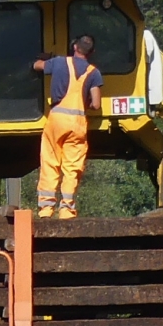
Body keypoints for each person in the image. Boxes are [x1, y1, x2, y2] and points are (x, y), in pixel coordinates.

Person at [32, 35, 102, 219]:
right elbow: (96, 104)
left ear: (74, 47)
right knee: (72, 167)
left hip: (57, 119)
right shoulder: (94, 73)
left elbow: (37, 66)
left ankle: (46, 209)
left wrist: (44, 58)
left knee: (50, 161)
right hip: (78, 123)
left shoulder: (59, 62)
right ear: (91, 52)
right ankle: (66, 210)